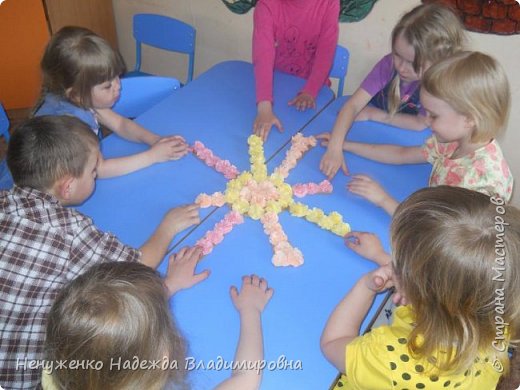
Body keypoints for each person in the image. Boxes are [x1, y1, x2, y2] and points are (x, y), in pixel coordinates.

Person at [0, 115, 206, 389]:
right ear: (67, 186)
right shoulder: (69, 231)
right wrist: (168, 227)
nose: (97, 174)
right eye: (93, 172)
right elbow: (136, 266)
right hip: (21, 376)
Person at [321, 186, 520, 389]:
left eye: (396, 260)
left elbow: (332, 343)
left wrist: (365, 287)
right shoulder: (496, 314)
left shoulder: (387, 360)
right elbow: (446, 279)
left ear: (415, 291)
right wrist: (381, 257)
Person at [319, 51, 513, 215]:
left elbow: (436, 236)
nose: (426, 121)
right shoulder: (453, 141)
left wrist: (383, 200)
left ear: (470, 118)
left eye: (434, 116)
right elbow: (402, 154)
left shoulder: (480, 185)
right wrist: (344, 144)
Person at [43, 262, 273, 390]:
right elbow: (246, 378)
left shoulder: (56, 374)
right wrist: (250, 310)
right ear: (164, 357)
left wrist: (167, 285)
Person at [319, 3, 465, 178]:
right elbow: (352, 106)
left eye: (413, 63)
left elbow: (420, 124)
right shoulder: (388, 65)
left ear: (438, 62)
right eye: (397, 55)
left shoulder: (438, 88)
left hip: (402, 143)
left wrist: (374, 114)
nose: (401, 68)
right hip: (368, 133)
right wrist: (335, 146)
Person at [34, 26, 188, 178]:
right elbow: (99, 170)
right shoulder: (68, 127)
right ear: (76, 93)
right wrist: (153, 156)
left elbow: (120, 124)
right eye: (107, 86)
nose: (118, 86)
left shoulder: (82, 97)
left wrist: (155, 140)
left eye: (117, 77)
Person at [252, 0, 340, 141]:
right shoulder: (266, 4)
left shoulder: (329, 3)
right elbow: (263, 55)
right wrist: (264, 107)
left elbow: (326, 53)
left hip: (314, 88)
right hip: (278, 84)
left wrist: (310, 91)